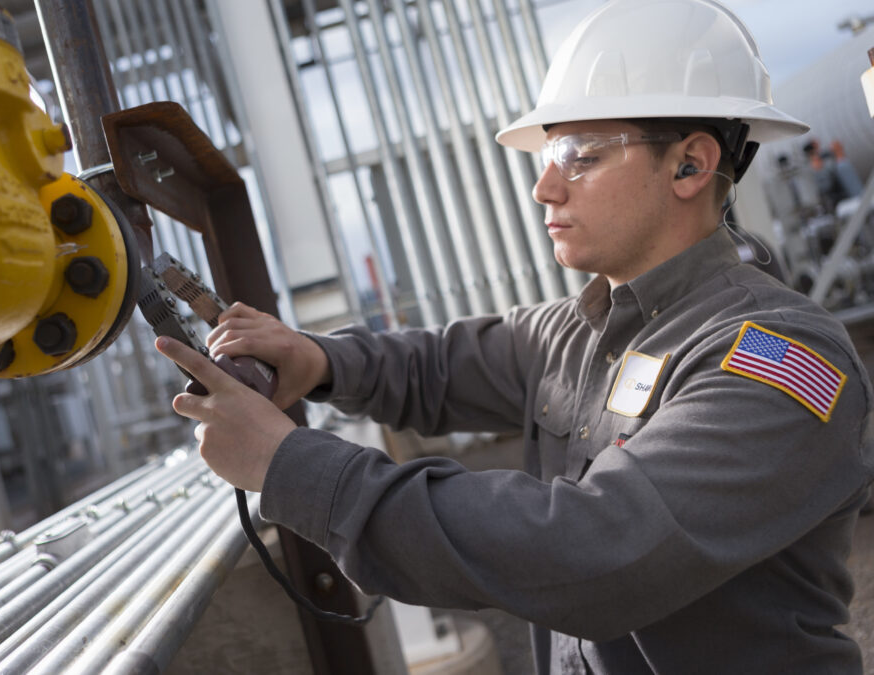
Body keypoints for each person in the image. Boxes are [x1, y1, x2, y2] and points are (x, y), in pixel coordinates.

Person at [156, 0, 874, 672]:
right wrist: (317, 359)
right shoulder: (581, 330)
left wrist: (291, 466)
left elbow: (591, 552)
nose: (545, 190)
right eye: (547, 157)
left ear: (691, 163)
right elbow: (439, 364)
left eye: (582, 156)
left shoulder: (778, 357)